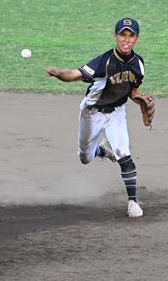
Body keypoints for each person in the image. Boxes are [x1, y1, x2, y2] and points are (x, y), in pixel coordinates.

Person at [46, 17, 147, 218]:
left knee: (123, 153)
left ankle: (133, 203)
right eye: (122, 35)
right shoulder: (104, 62)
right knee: (85, 157)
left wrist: (140, 100)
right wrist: (59, 74)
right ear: (115, 36)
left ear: (137, 38)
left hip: (116, 113)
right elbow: (75, 74)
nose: (126, 40)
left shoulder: (138, 64)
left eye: (131, 36)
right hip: (91, 113)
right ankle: (102, 150)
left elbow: (133, 90)